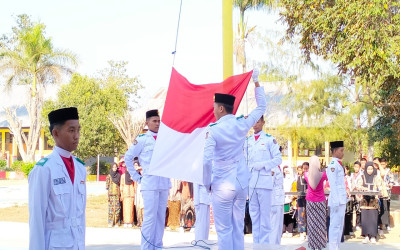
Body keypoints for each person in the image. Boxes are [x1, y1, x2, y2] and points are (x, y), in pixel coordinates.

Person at [202, 69, 266, 250]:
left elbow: (206, 161)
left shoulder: (213, 129)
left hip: (222, 184)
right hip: (240, 183)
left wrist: (207, 184)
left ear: (221, 108)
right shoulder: (242, 123)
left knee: (223, 230)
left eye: (214, 108)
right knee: (238, 228)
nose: (213, 111)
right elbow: (261, 107)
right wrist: (256, 82)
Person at [29, 107, 86, 249]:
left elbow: (81, 216)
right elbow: (37, 219)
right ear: (56, 133)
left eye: (78, 130)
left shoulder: (80, 168)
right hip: (54, 245)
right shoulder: (44, 169)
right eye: (71, 130)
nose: (77, 136)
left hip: (76, 244)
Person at [125, 109, 171, 250]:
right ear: (147, 123)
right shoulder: (142, 140)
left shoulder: (165, 139)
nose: (157, 124)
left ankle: (158, 246)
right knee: (150, 219)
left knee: (160, 218)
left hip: (163, 183)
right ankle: (146, 247)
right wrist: (137, 177)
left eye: (159, 121)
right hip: (150, 184)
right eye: (154, 121)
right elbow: (128, 158)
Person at [244, 115, 282, 244]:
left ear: (263, 122)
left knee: (265, 217)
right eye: (253, 121)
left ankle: (265, 245)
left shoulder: (269, 140)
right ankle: (256, 244)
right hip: (252, 182)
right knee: (254, 216)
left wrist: (264, 165)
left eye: (258, 121)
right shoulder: (247, 141)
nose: (255, 124)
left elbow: (278, 159)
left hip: (265, 182)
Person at [326, 141, 347, 250]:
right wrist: (336, 201)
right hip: (336, 200)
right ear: (334, 151)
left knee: (339, 226)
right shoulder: (332, 166)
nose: (343, 153)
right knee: (334, 226)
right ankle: (333, 247)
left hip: (341, 199)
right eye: (341, 150)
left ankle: (336, 247)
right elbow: (333, 185)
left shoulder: (338, 164)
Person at [305, 155, 328, 250]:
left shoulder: (306, 174)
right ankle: (320, 244)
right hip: (321, 201)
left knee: (311, 224)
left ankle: (312, 244)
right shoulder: (323, 174)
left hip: (310, 201)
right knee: (321, 223)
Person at [357, 162, 382, 244]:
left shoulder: (376, 177)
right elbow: (358, 186)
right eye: (368, 169)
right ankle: (366, 236)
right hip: (364, 202)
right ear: (365, 169)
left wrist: (379, 190)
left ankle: (373, 236)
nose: (370, 170)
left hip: (373, 202)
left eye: (371, 169)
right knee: (365, 219)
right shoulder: (362, 177)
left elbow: (380, 186)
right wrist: (363, 188)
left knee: (373, 219)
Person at [269, 165, 285, 245]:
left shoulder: (277, 167)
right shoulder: (272, 167)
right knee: (273, 227)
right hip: (274, 201)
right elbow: (269, 184)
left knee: (278, 227)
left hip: (279, 200)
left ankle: (277, 246)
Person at [379, 158, 394, 231]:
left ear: (386, 164)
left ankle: (387, 224)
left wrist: (388, 185)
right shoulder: (378, 171)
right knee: (380, 209)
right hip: (380, 193)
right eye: (381, 164)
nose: (382, 165)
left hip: (387, 193)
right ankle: (380, 224)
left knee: (386, 208)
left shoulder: (389, 172)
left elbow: (392, 181)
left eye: (383, 164)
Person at [106, 163, 121, 227]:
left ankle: (117, 222)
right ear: (111, 168)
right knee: (111, 209)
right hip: (111, 194)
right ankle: (110, 222)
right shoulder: (109, 176)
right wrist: (107, 196)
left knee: (117, 208)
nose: (114, 168)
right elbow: (107, 186)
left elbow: (120, 184)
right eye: (113, 167)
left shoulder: (119, 175)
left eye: (115, 167)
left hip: (117, 194)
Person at [282, 166, 295, 237]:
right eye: (285, 171)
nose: (287, 173)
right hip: (282, 199)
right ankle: (283, 230)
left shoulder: (293, 179)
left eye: (288, 171)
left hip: (290, 199)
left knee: (290, 215)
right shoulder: (282, 179)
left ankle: (290, 230)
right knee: (283, 215)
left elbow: (294, 188)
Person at [296, 165, 307, 241]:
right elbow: (298, 188)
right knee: (300, 216)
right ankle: (301, 232)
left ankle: (307, 233)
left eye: (306, 168)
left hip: (309, 199)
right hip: (300, 199)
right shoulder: (299, 178)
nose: (304, 170)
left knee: (308, 216)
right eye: (304, 168)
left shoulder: (310, 177)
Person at [351, 161, 363, 231]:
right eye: (355, 167)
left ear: (360, 167)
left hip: (359, 194)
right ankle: (352, 224)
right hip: (352, 194)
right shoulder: (351, 175)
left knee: (358, 209)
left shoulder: (361, 175)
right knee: (351, 209)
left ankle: (358, 224)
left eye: (357, 167)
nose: (356, 168)